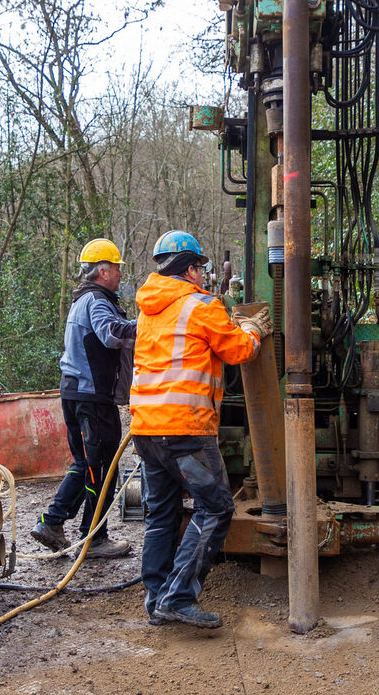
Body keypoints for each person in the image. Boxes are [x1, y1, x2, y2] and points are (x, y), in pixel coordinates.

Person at [130, 230, 272, 628]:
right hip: (184, 429)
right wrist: (254, 329)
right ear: (191, 270)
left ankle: (156, 597)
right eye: (202, 268)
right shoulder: (200, 305)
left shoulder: (148, 310)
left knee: (161, 514)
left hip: (146, 429)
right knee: (216, 507)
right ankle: (177, 597)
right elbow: (239, 350)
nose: (204, 276)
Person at [31, 238, 138, 560]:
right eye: (117, 268)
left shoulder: (83, 300)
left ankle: (54, 523)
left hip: (76, 394)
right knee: (102, 469)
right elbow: (113, 333)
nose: (121, 274)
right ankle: (93, 537)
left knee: (87, 464)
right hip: (92, 398)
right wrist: (151, 323)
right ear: (103, 271)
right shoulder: (97, 301)